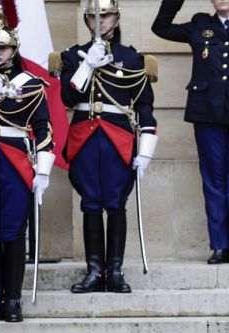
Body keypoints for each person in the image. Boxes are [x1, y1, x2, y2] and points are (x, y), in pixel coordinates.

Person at [152, 0, 229, 265]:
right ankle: (219, 245)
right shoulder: (200, 25)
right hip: (208, 114)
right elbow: (160, 28)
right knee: (213, 181)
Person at [59, 0, 158, 294]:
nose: (100, 22)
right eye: (94, 17)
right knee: (90, 202)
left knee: (115, 204)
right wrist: (87, 64)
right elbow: (66, 97)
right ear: (87, 20)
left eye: (106, 16)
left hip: (118, 137)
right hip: (85, 137)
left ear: (116, 18)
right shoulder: (72, 56)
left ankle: (114, 271)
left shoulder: (132, 58)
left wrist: (146, 149)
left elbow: (144, 106)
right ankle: (94, 271)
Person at [0, 21, 54, 322]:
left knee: (13, 229)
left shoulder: (29, 83)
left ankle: (13, 298)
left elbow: (43, 129)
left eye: (2, 48)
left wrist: (42, 171)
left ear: (13, 50)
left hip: (15, 159)